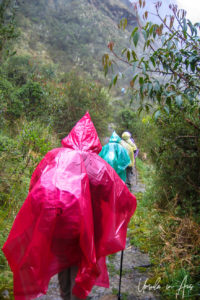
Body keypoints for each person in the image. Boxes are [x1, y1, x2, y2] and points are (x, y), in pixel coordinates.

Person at [2, 112, 137, 300]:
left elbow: (35, 185)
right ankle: (75, 294)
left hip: (57, 222)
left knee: (63, 261)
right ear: (93, 141)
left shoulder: (54, 156)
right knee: (79, 263)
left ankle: (66, 293)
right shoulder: (96, 164)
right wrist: (126, 207)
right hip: (84, 228)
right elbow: (115, 193)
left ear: (71, 137)